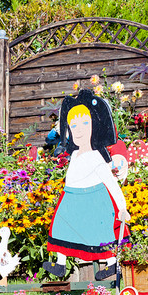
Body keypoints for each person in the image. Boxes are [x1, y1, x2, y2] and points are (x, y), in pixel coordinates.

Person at [42, 90, 130, 280]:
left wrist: (122, 208)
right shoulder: (74, 154)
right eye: (73, 125)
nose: (79, 129)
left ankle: (111, 265)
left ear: (95, 127)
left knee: (102, 233)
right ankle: (60, 264)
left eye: (84, 123)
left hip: (94, 197)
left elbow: (110, 182)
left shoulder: (96, 156)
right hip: (72, 196)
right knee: (61, 227)